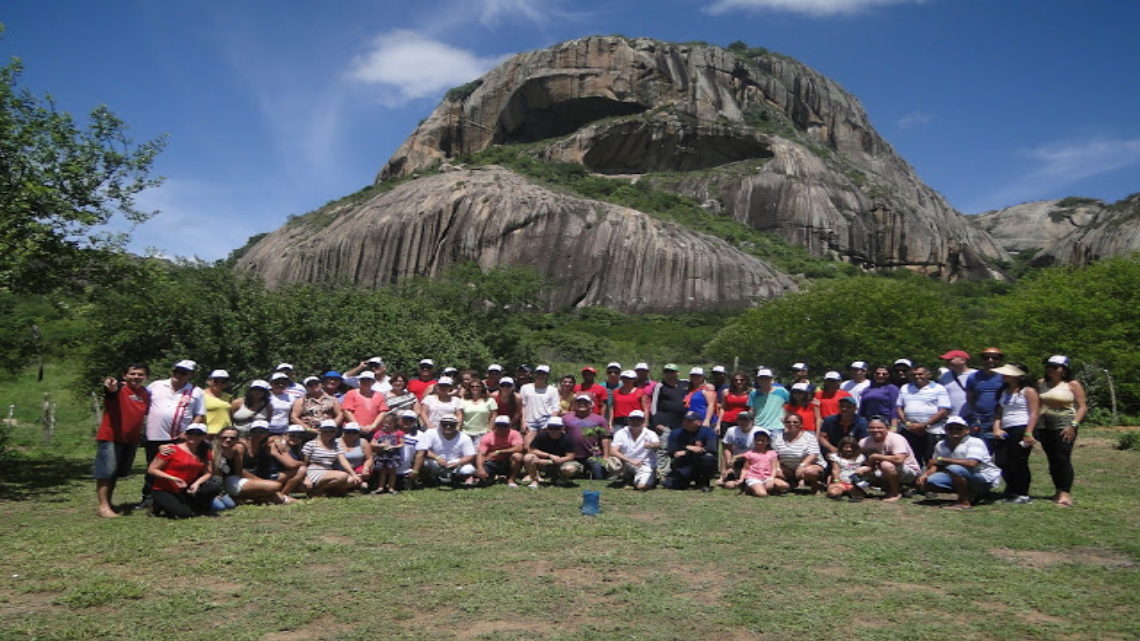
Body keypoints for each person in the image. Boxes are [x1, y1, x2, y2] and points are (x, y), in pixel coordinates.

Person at [141, 359, 206, 505]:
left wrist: (190, 432)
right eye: (176, 371)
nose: (178, 374)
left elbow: (199, 414)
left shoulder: (196, 391)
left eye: (183, 372)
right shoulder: (156, 385)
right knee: (153, 467)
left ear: (191, 375)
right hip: (155, 435)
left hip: (179, 437)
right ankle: (149, 497)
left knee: (177, 468)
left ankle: (177, 495)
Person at [94, 363, 149, 518]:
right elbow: (111, 390)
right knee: (106, 472)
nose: (136, 377)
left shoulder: (144, 393)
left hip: (130, 439)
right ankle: (103, 507)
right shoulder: (120, 388)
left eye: (140, 374)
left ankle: (108, 503)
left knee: (116, 473)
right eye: (132, 374)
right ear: (124, 375)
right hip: (111, 436)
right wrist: (111, 385)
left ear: (146, 377)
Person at [916, 416, 1002, 509]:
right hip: (959, 475)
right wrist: (925, 475)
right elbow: (936, 464)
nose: (954, 430)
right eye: (950, 428)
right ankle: (971, 494)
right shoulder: (940, 444)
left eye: (959, 428)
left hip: (983, 477)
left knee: (954, 468)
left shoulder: (975, 442)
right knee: (932, 480)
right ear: (945, 430)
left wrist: (943, 459)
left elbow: (972, 463)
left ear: (967, 430)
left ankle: (964, 502)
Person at [1036, 355, 1086, 507]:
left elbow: (1082, 406)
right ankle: (1057, 489)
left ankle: (1065, 493)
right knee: (1052, 459)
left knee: (1062, 458)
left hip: (1064, 424)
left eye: (1054, 367)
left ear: (1064, 370)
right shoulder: (1041, 383)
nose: (1050, 369)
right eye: (1048, 366)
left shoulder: (1072, 385)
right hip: (1044, 425)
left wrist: (1074, 425)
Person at [991, 363, 1039, 504]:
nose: (1004, 375)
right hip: (1006, 428)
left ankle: (1022, 493)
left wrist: (1029, 433)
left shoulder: (1028, 391)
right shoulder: (1003, 392)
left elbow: (1034, 412)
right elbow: (998, 412)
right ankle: (1012, 490)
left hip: (1021, 427)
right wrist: (996, 428)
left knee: (1018, 461)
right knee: (1001, 461)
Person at [147, 423, 217, 518]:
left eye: (198, 434)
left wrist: (197, 483)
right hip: (164, 489)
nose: (193, 436)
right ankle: (156, 505)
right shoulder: (170, 450)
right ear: (185, 434)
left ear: (204, 436)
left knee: (212, 487)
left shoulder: (205, 451)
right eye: (190, 433)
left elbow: (208, 473)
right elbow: (152, 470)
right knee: (184, 514)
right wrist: (173, 479)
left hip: (185, 488)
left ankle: (199, 507)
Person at [893, 364, 951, 466]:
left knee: (930, 458)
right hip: (909, 430)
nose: (917, 377)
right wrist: (907, 423)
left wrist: (925, 425)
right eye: (914, 374)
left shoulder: (939, 388)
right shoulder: (905, 388)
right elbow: (899, 408)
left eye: (920, 374)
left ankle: (928, 479)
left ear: (929, 375)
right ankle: (914, 480)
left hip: (932, 430)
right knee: (912, 457)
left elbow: (943, 410)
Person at [213, 426, 286, 505]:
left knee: (277, 493)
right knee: (275, 486)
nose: (228, 440)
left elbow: (239, 472)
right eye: (224, 437)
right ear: (219, 437)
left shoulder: (235, 451)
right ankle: (243, 496)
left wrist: (277, 439)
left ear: (237, 440)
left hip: (234, 480)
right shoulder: (214, 452)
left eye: (232, 438)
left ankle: (248, 496)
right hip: (221, 484)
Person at [854, 416, 921, 502]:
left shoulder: (896, 438)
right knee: (858, 469)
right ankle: (855, 491)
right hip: (879, 470)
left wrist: (877, 456)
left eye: (879, 428)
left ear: (887, 428)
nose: (876, 430)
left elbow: (899, 459)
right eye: (872, 428)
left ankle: (895, 492)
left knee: (886, 464)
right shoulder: (864, 442)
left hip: (908, 471)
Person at [244, 420, 305, 500]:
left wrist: (277, 439)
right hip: (260, 475)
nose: (258, 434)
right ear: (286, 434)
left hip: (262, 473)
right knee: (301, 470)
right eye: (293, 435)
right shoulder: (272, 445)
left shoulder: (271, 442)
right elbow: (291, 464)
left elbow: (275, 437)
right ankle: (282, 495)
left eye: (300, 436)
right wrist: (302, 463)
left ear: (267, 433)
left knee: (306, 486)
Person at [415, 413, 477, 486]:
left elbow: (470, 455)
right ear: (440, 424)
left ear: (456, 425)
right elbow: (422, 449)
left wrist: (458, 463)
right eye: (445, 424)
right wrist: (437, 458)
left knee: (468, 469)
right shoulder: (431, 432)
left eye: (451, 424)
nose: (448, 427)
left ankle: (456, 479)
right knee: (426, 463)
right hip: (435, 460)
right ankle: (430, 479)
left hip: (455, 461)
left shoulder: (464, 437)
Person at [301, 419, 360, 497]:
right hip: (313, 471)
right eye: (325, 430)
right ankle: (319, 491)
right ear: (320, 431)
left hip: (327, 471)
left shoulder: (336, 445)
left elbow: (343, 461)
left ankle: (322, 490)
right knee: (342, 476)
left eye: (331, 431)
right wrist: (305, 477)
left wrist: (353, 474)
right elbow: (304, 463)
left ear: (335, 432)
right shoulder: (310, 444)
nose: (328, 433)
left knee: (352, 480)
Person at [966, 347, 1007, 451]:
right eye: (986, 358)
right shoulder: (973, 377)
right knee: (980, 449)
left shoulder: (1005, 376)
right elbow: (970, 398)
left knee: (1000, 450)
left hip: (1000, 419)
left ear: (1000, 360)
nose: (990, 360)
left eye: (994, 358)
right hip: (979, 419)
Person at [664, 411, 718, 491]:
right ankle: (685, 481)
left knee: (708, 457)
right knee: (670, 484)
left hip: (700, 463)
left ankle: (704, 483)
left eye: (690, 421)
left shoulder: (708, 431)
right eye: (685, 420)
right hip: (684, 464)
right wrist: (689, 447)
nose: (686, 422)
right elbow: (671, 451)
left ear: (699, 423)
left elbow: (711, 448)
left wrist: (685, 452)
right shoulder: (676, 433)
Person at [607, 410, 659, 490]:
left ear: (643, 421)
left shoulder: (650, 433)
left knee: (641, 487)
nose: (635, 421)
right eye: (633, 419)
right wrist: (630, 460)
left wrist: (651, 445)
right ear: (628, 420)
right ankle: (626, 477)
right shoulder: (621, 433)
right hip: (626, 462)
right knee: (613, 461)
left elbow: (657, 444)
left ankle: (642, 479)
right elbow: (613, 451)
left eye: (638, 419)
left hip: (643, 464)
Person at [521, 415, 579, 488]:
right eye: (550, 428)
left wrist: (552, 461)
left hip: (561, 463)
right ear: (547, 428)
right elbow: (532, 449)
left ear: (562, 428)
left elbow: (570, 456)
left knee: (569, 469)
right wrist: (549, 455)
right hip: (543, 462)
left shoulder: (567, 439)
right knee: (528, 457)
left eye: (556, 428)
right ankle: (534, 480)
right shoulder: (541, 436)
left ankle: (562, 478)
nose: (553, 430)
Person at [562, 394, 612, 480]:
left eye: (585, 402)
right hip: (572, 455)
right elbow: (561, 435)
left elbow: (605, 437)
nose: (582, 404)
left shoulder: (600, 419)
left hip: (593, 455)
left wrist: (606, 455)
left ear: (591, 405)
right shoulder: (566, 418)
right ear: (574, 404)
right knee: (568, 471)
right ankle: (579, 471)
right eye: (579, 402)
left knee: (599, 477)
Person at [772, 414, 824, 492]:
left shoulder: (809, 437)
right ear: (785, 424)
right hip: (788, 468)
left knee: (809, 472)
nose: (791, 424)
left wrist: (802, 466)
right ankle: (792, 483)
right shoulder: (778, 438)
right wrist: (778, 468)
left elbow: (813, 454)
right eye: (788, 422)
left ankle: (816, 485)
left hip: (809, 465)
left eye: (795, 422)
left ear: (801, 424)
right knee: (774, 471)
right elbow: (775, 455)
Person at [475, 414, 524, 487]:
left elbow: (519, 448)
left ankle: (511, 479)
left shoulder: (514, 434)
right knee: (483, 480)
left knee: (517, 456)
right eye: (499, 425)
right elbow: (481, 453)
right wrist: (480, 468)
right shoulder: (488, 437)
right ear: (495, 426)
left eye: (504, 426)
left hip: (508, 462)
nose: (501, 428)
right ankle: (488, 477)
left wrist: (499, 451)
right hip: (492, 462)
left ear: (509, 426)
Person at [736, 429, 786, 498]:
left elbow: (774, 468)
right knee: (762, 494)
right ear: (754, 441)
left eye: (763, 440)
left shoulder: (772, 453)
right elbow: (745, 468)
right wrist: (741, 479)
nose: (760, 442)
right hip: (753, 477)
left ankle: (762, 487)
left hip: (767, 476)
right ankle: (750, 488)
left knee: (784, 485)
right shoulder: (749, 454)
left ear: (767, 442)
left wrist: (771, 478)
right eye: (757, 440)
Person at [341, 371, 388, 437]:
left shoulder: (379, 395)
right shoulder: (351, 393)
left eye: (369, 380)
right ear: (359, 381)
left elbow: (383, 412)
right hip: (352, 431)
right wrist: (358, 426)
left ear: (373, 382)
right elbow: (346, 411)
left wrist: (373, 426)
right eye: (363, 380)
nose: (366, 382)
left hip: (373, 431)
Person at [719, 411, 758, 487]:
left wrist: (739, 456)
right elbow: (727, 447)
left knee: (730, 485)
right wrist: (729, 461)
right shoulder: (731, 430)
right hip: (736, 460)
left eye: (746, 420)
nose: (743, 422)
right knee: (724, 454)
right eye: (740, 419)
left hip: (752, 459)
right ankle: (723, 475)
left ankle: (742, 478)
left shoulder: (759, 432)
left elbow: (761, 451)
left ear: (752, 421)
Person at [748, 368, 790, 436]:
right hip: (759, 426)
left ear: (771, 379)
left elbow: (790, 406)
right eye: (761, 378)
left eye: (767, 378)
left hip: (777, 426)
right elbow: (752, 410)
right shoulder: (753, 393)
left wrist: (786, 419)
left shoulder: (782, 391)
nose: (764, 380)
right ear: (757, 379)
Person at [370, 414, 404, 494]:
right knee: (382, 472)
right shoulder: (379, 433)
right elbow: (372, 443)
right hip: (382, 455)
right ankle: (380, 487)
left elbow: (402, 444)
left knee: (392, 472)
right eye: (385, 423)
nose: (386, 425)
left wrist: (393, 446)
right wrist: (380, 445)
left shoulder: (399, 433)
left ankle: (391, 488)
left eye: (389, 423)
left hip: (393, 455)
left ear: (394, 424)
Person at [520, 365, 560, 433]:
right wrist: (523, 421)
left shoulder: (553, 390)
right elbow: (522, 406)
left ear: (547, 375)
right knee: (528, 443)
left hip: (546, 421)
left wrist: (550, 423)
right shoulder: (525, 388)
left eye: (543, 374)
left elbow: (555, 408)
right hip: (530, 421)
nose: (540, 376)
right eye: (539, 373)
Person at [937, 349, 975, 419]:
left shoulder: (976, 375)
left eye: (950, 360)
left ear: (963, 360)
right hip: (950, 417)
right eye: (946, 360)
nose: (947, 362)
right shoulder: (945, 376)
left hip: (971, 416)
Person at [826, 437, 866, 501]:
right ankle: (837, 495)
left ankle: (855, 496)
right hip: (840, 481)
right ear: (841, 447)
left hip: (853, 483)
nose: (849, 449)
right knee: (833, 492)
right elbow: (835, 470)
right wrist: (836, 481)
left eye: (851, 447)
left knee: (858, 494)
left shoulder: (861, 457)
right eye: (846, 447)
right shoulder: (835, 457)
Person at [461, 378, 498, 447]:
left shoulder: (490, 400)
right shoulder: (463, 401)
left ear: (482, 388)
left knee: (479, 454)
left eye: (477, 386)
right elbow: (461, 416)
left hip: (483, 432)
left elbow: (493, 416)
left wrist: (490, 429)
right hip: (465, 432)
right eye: (472, 386)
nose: (475, 388)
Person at [337, 422, 373, 489]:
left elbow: (369, 458)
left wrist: (366, 468)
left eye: (354, 432)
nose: (351, 434)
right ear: (343, 432)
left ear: (358, 433)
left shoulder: (363, 442)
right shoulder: (336, 442)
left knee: (366, 473)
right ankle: (357, 483)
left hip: (357, 470)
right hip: (340, 470)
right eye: (348, 432)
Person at [202, 369, 233, 436]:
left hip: (225, 434)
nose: (219, 384)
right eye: (216, 381)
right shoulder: (200, 395)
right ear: (209, 381)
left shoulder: (228, 397)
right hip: (208, 433)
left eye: (223, 382)